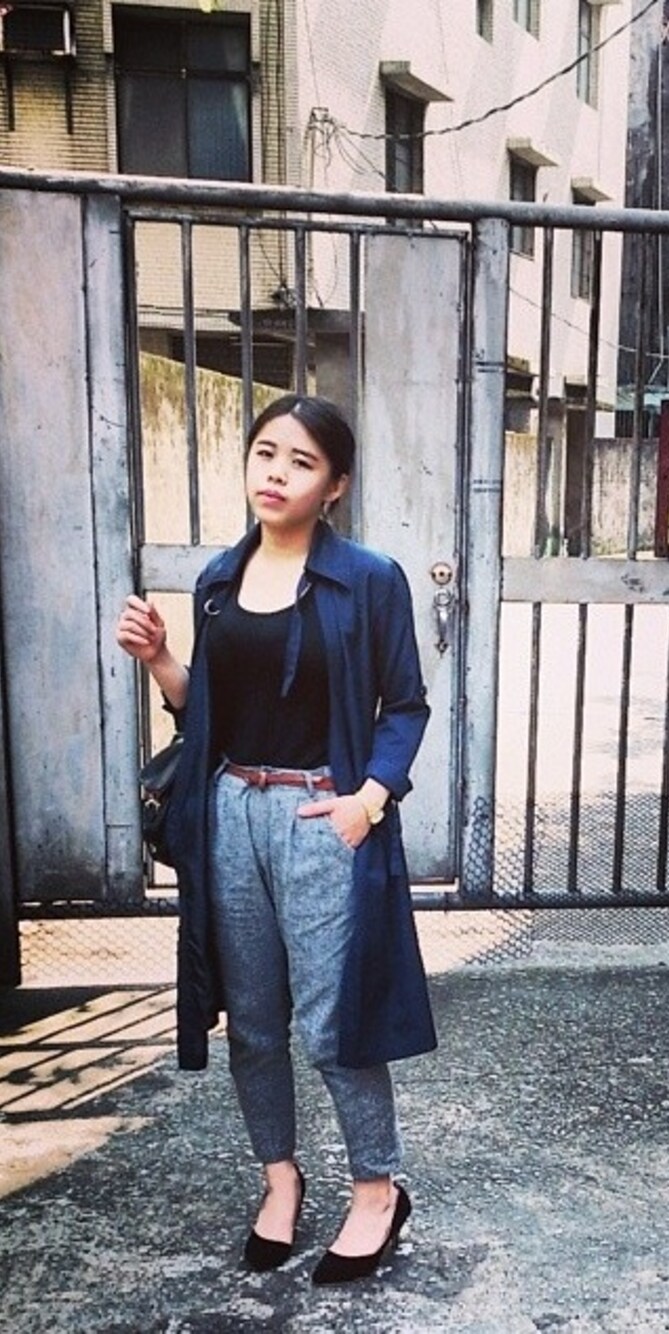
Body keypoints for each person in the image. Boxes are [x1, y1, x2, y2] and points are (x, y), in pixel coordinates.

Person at [116, 394, 436, 1284]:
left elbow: (406, 706)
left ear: (335, 486)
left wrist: (368, 801)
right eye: (265, 453)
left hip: (322, 815)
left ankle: (375, 1191)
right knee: (253, 1021)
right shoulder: (220, 579)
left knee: (335, 1023)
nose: (276, 473)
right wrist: (161, 661)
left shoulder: (369, 579)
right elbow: (206, 715)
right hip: (231, 814)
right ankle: (280, 1180)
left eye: (301, 461)